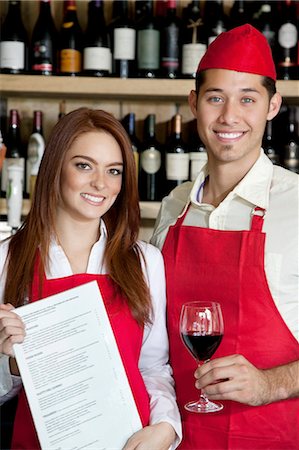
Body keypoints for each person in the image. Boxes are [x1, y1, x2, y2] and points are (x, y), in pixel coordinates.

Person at [151, 24, 299, 449]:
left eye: (247, 100)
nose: (230, 117)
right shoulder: (172, 207)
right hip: (177, 437)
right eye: (216, 98)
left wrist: (269, 384)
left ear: (273, 106)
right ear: (194, 103)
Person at [0, 107, 182, 450]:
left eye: (113, 171)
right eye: (84, 165)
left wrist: (166, 426)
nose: (101, 183)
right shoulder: (6, 259)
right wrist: (10, 364)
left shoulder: (145, 262)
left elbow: (152, 369)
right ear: (55, 167)